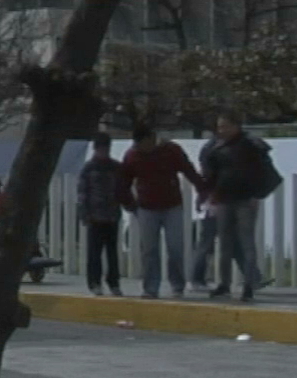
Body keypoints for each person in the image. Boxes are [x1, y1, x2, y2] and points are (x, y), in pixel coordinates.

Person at [198, 111, 279, 303]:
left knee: (246, 243)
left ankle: (248, 285)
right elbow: (211, 173)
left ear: (236, 126)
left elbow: (265, 172)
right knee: (225, 244)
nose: (221, 130)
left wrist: (258, 194)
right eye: (219, 127)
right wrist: (210, 195)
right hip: (224, 200)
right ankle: (224, 284)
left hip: (245, 200)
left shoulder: (251, 145)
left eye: (225, 126)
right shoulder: (217, 147)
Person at [117, 124, 205, 300]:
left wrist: (202, 189)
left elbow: (188, 170)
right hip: (146, 208)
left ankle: (177, 285)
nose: (142, 148)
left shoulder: (171, 151)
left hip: (172, 205)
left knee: (175, 247)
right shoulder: (132, 156)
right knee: (149, 250)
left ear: (152, 139)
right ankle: (150, 287)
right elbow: (122, 184)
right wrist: (130, 205)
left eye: (144, 143)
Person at [78, 134, 125, 297]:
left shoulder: (116, 167)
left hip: (112, 215)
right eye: (102, 149)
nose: (104, 152)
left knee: (112, 253)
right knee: (94, 253)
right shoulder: (89, 168)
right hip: (95, 216)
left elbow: (121, 189)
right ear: (96, 149)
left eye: (107, 148)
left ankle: (114, 282)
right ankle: (94, 282)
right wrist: (85, 213)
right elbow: (83, 192)